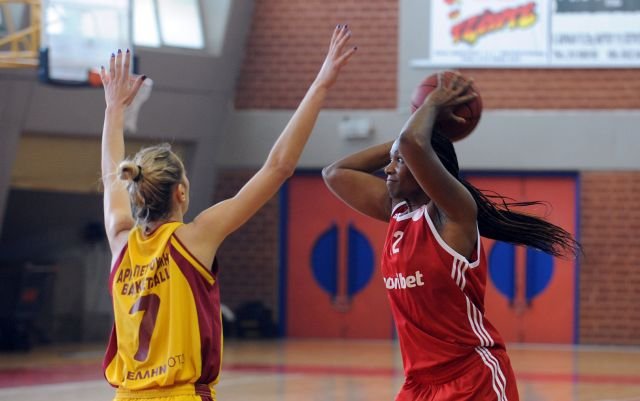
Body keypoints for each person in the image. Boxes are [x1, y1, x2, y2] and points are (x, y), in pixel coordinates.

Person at [99, 25, 356, 401]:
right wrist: (321, 84)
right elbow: (278, 167)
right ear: (181, 193)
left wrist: (113, 109)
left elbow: (110, 180)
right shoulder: (195, 237)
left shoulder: (120, 242)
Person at [322, 72, 580, 401]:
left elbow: (413, 144)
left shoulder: (453, 212)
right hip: (418, 383)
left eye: (398, 162)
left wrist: (430, 108)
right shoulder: (398, 213)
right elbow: (335, 173)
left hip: (472, 378)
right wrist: (412, 139)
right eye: (391, 161)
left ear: (425, 169)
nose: (388, 169)